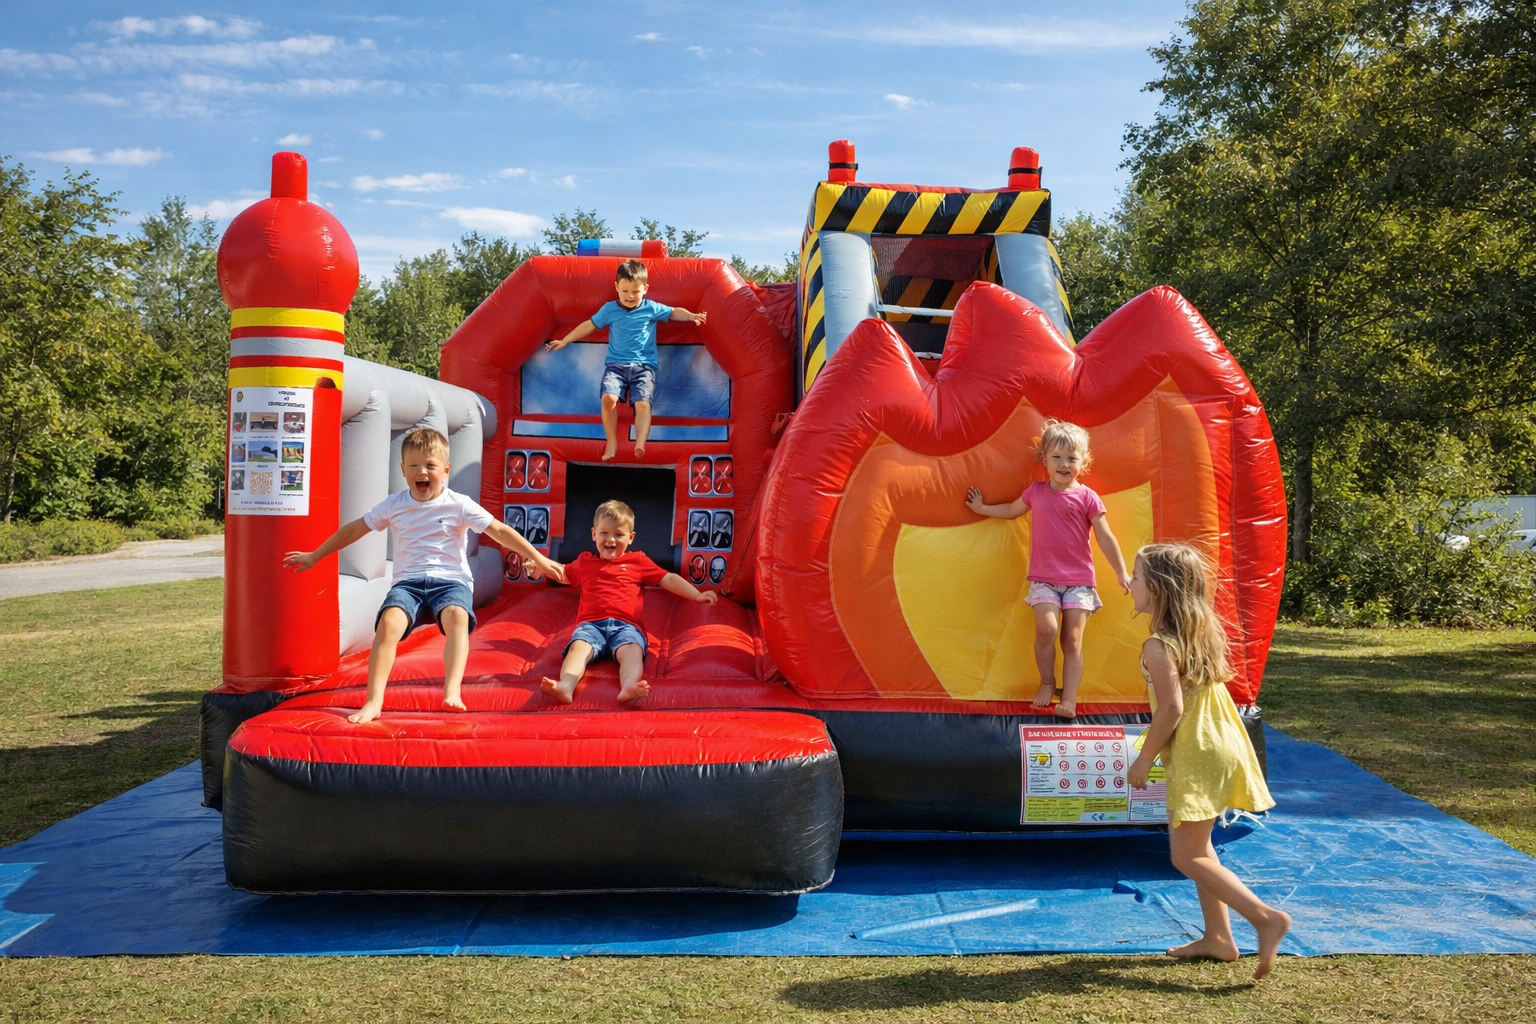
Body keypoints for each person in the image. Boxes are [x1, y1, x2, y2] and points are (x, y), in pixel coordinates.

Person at [284, 427, 564, 724]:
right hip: (409, 583)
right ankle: (373, 701)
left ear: (445, 470)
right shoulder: (394, 504)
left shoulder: (458, 503)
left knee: (457, 616)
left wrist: (538, 557)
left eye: (430, 465)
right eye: (414, 465)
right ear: (403, 470)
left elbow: (500, 531)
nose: (422, 471)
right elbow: (355, 529)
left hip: (451, 581)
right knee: (389, 623)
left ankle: (452, 689)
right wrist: (316, 555)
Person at [1126, 542, 1290, 979]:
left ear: (1158, 590)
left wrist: (1142, 760)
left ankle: (1264, 918)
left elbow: (1171, 710)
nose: (1129, 585)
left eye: (1136, 578)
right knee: (1201, 848)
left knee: (1185, 856)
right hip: (1223, 743)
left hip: (1198, 751)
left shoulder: (1157, 645)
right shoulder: (1198, 635)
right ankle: (1218, 938)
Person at [965, 419, 1131, 717]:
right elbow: (1012, 511)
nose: (1064, 464)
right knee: (1046, 629)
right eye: (1057, 457)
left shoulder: (1087, 497)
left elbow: (1106, 537)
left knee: (1072, 639)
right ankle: (1046, 682)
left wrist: (1122, 573)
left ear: (1084, 462)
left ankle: (1069, 699)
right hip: (1044, 579)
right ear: (1044, 460)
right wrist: (983, 509)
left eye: (1072, 458)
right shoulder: (1037, 491)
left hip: (1079, 581)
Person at [539, 499, 718, 705]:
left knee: (632, 650)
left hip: (627, 626)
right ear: (593, 534)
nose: (611, 540)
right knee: (578, 649)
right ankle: (566, 685)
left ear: (631, 537)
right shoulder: (585, 562)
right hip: (591, 625)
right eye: (604, 533)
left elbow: (667, 578)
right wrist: (538, 564)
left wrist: (696, 595)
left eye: (619, 534)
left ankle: (629, 685)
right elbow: (561, 573)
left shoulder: (637, 561)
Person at [543, 259, 707, 461]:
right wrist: (565, 340)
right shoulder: (610, 309)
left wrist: (691, 316)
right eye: (625, 291)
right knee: (608, 398)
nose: (630, 296)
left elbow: (673, 312)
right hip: (616, 366)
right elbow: (589, 326)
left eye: (635, 291)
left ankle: (640, 441)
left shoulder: (651, 308)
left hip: (644, 367)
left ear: (645, 289)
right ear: (616, 287)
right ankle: (611, 440)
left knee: (642, 404)